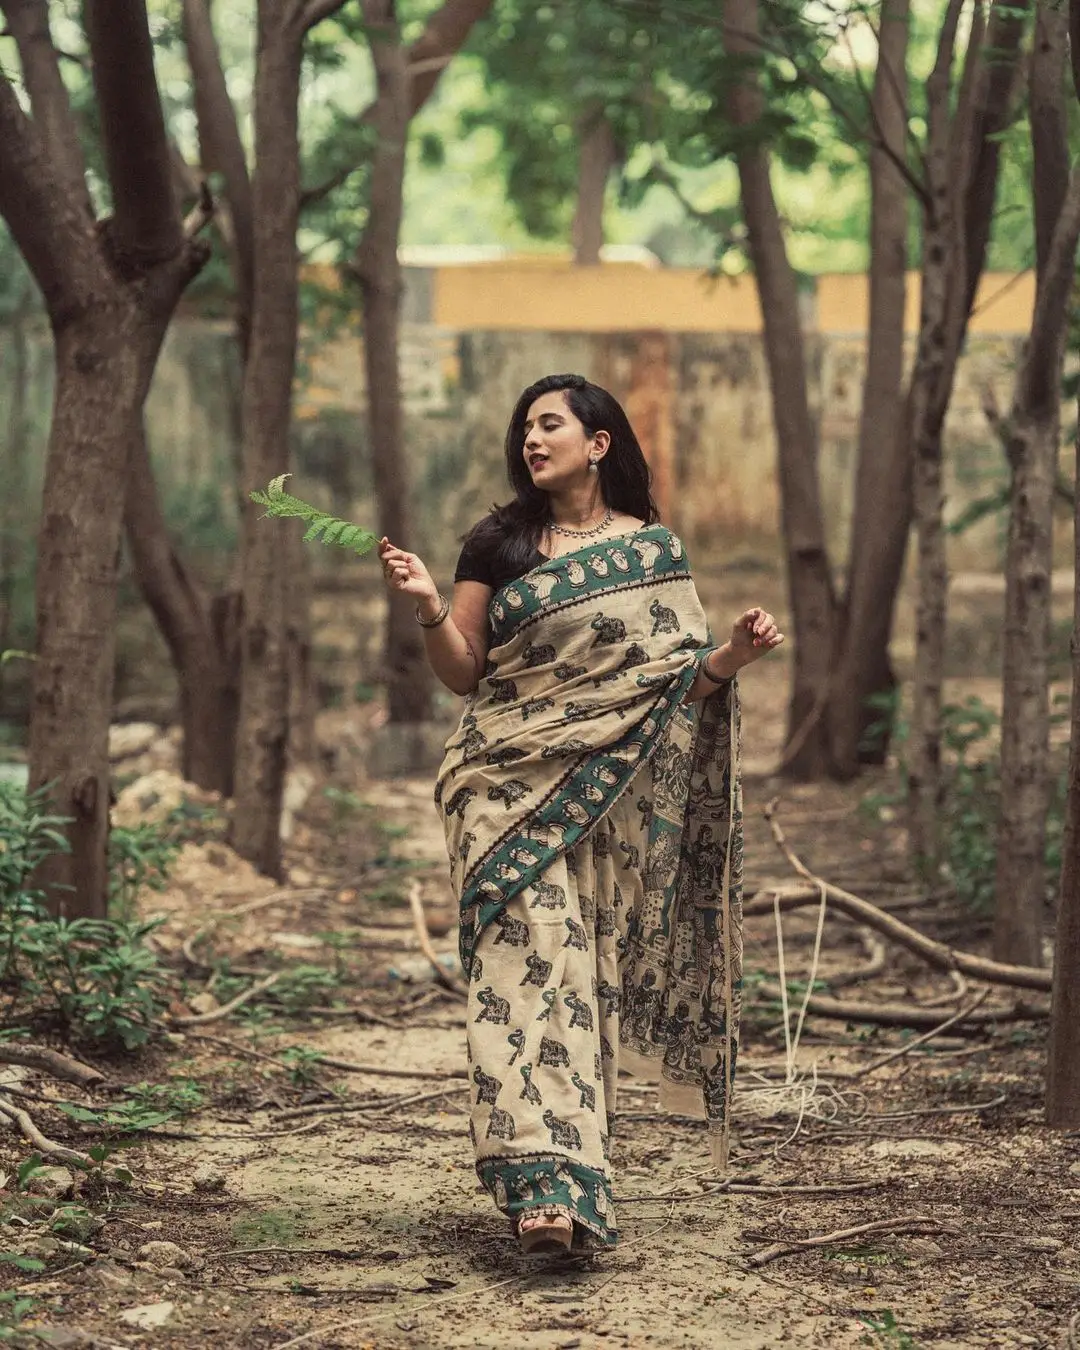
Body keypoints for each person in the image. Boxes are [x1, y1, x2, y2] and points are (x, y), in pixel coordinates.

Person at [378, 373, 782, 1256]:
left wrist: (735, 655)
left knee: (578, 970)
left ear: (599, 442)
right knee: (528, 960)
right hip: (497, 785)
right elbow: (464, 673)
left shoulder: (653, 552)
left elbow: (678, 687)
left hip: (604, 802)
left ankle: (574, 1175)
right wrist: (430, 610)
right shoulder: (498, 542)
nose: (533, 439)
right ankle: (540, 1187)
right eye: (525, 426)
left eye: (550, 424)